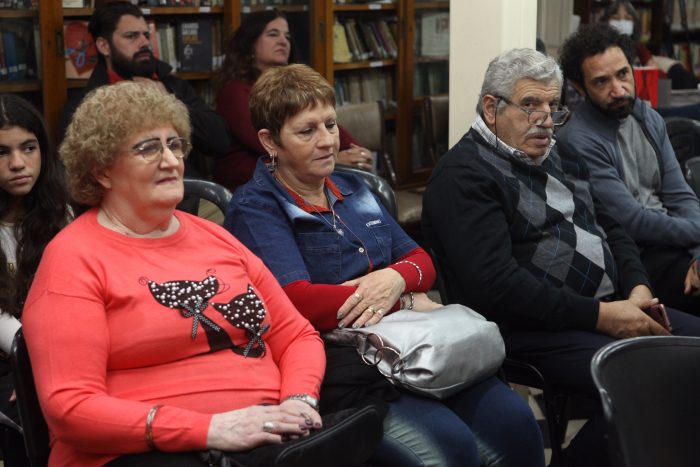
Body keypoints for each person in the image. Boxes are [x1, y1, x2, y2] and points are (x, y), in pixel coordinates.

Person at [225, 63, 545, 467]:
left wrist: (396, 276)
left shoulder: (354, 187)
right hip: (345, 367)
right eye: (307, 131)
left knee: (519, 430)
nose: (327, 141)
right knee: (451, 453)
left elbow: (421, 259)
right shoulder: (257, 208)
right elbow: (296, 301)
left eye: (330, 124)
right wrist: (404, 299)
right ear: (270, 141)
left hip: (415, 349)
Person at [21, 81, 336, 467]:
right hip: (139, 452)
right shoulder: (72, 260)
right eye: (149, 148)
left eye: (174, 145)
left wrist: (299, 400)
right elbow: (71, 408)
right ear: (102, 170)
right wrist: (210, 429)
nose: (171, 161)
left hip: (266, 436)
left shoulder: (214, 236)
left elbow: (297, 334)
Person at [422, 47, 700, 467]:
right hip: (527, 326)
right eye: (530, 105)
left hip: (609, 306)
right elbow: (495, 287)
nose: (545, 121)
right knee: (652, 383)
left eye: (553, 106)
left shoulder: (560, 154)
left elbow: (615, 229)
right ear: (491, 107)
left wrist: (639, 286)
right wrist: (603, 316)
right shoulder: (462, 176)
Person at [557, 23, 700, 315]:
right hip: (634, 257)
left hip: (676, 240)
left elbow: (680, 196)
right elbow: (633, 222)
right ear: (578, 88)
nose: (618, 90)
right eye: (601, 82)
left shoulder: (648, 118)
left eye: (623, 74)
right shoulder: (578, 140)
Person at [57, 1, 231, 178]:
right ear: (104, 46)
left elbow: (220, 142)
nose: (144, 43)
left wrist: (169, 101)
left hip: (184, 191)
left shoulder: (171, 85)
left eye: (146, 35)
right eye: (132, 36)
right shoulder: (84, 105)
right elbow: (77, 174)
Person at [213, 9, 373, 191]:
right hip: (251, 185)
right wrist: (335, 158)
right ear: (250, 43)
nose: (283, 41)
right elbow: (276, 146)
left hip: (298, 177)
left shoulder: (292, 87)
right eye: (273, 34)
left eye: (287, 36)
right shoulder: (234, 90)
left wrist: (357, 151)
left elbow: (322, 119)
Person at [0, 94, 71, 467]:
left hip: (60, 351)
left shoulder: (64, 212)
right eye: (1, 152)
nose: (17, 164)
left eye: (29, 148)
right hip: (13, 356)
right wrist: (33, 365)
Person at [601, 0, 698, 90]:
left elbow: (660, 77)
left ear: (634, 24)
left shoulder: (637, 48)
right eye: (616, 18)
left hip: (644, 93)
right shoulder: (601, 47)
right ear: (606, 22)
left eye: (627, 19)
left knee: (677, 72)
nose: (622, 23)